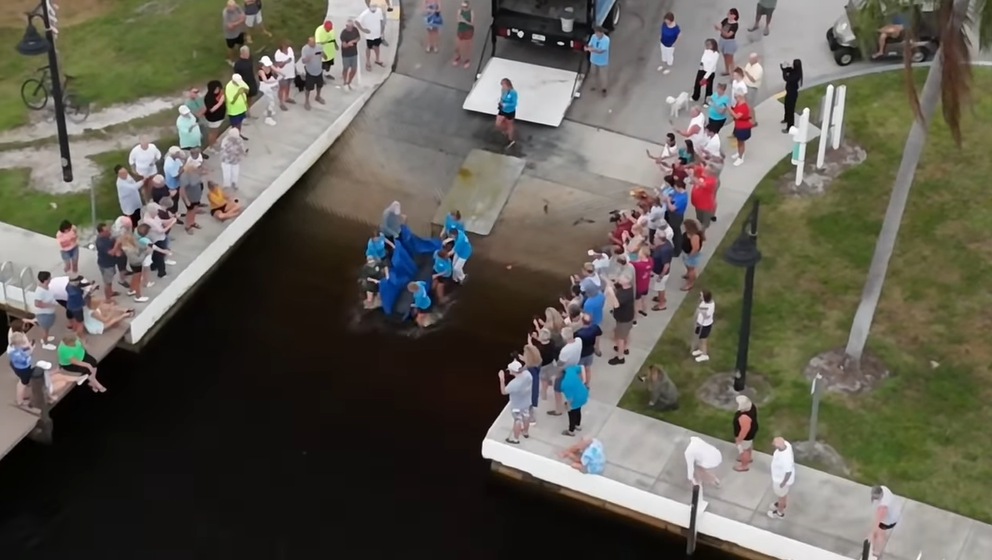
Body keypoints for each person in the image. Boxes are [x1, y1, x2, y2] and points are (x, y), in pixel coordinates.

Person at [498, 360, 533, 444]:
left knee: (517, 420)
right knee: (526, 416)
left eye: (510, 369)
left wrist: (501, 379)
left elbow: (503, 392)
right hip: (526, 401)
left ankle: (515, 439)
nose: (509, 370)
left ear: (513, 371)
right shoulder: (527, 374)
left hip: (516, 405)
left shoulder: (514, 384)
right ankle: (525, 432)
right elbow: (525, 367)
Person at [869, 485, 902, 558]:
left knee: (879, 533)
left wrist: (872, 533)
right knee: (877, 532)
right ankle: (875, 546)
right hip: (894, 510)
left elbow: (879, 521)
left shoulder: (883, 506)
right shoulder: (883, 488)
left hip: (890, 519)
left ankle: (877, 552)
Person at [609, 276, 635, 366]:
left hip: (623, 319)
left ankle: (620, 357)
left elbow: (616, 305)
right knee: (626, 333)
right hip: (626, 316)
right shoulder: (627, 288)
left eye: (624, 277)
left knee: (620, 338)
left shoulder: (625, 295)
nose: (620, 277)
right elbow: (616, 285)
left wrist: (611, 292)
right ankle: (625, 348)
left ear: (627, 281)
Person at [768, 436, 796, 519]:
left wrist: (783, 483)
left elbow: (788, 472)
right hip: (781, 479)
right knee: (783, 495)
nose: (772, 444)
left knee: (781, 496)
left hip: (781, 480)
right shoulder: (786, 445)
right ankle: (782, 504)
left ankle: (780, 512)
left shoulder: (785, 459)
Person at [32, 272, 60, 350]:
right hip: (44, 315)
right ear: (45, 280)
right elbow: (37, 304)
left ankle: (46, 337)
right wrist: (51, 305)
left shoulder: (46, 287)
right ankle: (45, 343)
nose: (50, 279)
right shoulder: (40, 291)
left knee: (47, 329)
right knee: (45, 330)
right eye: (49, 278)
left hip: (49, 313)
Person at [559, 363, 588, 436]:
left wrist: (567, 406)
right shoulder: (570, 369)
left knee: (572, 414)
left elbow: (570, 398)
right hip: (583, 394)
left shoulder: (565, 384)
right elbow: (582, 366)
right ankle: (578, 425)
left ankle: (571, 430)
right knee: (578, 410)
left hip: (576, 399)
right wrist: (584, 380)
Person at [94, 223, 121, 301]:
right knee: (107, 283)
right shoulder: (101, 243)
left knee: (109, 280)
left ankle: (111, 292)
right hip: (106, 265)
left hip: (110, 263)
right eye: (106, 231)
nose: (109, 232)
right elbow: (111, 253)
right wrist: (117, 244)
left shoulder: (107, 236)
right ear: (101, 232)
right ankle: (108, 299)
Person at [355, 3, 386, 71]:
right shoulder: (365, 14)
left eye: (375, 7)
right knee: (369, 48)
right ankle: (368, 61)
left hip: (377, 34)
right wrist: (363, 29)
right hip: (369, 36)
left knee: (377, 46)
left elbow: (381, 20)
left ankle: (377, 59)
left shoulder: (379, 11)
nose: (374, 9)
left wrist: (382, 29)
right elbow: (356, 22)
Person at [732, 395, 759, 471]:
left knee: (744, 450)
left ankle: (744, 465)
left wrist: (739, 440)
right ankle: (748, 458)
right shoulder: (751, 406)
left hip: (746, 435)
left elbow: (744, 430)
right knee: (748, 445)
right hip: (752, 430)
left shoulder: (744, 417)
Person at [573, 313, 602, 383]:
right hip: (590, 352)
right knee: (588, 369)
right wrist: (597, 347)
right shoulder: (595, 328)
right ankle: (587, 384)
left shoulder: (578, 333)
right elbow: (598, 336)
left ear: (582, 321)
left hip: (581, 354)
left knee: (580, 371)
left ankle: (581, 384)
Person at [300, 36, 326, 111]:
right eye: (311, 43)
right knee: (308, 88)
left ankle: (318, 96)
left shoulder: (319, 47)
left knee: (319, 85)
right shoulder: (305, 49)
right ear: (308, 43)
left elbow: (326, 57)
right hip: (310, 71)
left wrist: (323, 55)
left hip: (319, 70)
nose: (313, 44)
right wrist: (309, 57)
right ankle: (306, 101)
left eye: (314, 42)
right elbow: (303, 61)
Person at [180, 158, 206, 233]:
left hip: (196, 196)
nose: (198, 168)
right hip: (189, 197)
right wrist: (187, 200)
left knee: (194, 210)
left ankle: (192, 222)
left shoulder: (196, 173)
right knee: (190, 211)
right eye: (197, 167)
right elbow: (182, 190)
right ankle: (187, 226)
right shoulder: (184, 177)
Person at [650, 233, 674, 311]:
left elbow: (666, 265)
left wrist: (661, 276)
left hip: (660, 273)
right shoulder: (664, 243)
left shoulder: (664, 250)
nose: (653, 239)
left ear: (660, 239)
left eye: (655, 238)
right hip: (657, 271)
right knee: (659, 287)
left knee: (660, 288)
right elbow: (655, 248)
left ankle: (662, 304)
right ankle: (660, 298)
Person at [585, 26, 610, 96]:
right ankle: (593, 85)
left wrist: (591, 49)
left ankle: (604, 89)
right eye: (596, 33)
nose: (597, 34)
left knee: (603, 75)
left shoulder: (606, 40)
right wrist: (587, 47)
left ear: (602, 33)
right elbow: (590, 44)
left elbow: (601, 50)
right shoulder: (593, 37)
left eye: (598, 33)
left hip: (602, 61)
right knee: (593, 73)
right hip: (593, 60)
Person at [690, 165, 717, 229]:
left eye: (706, 171)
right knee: (699, 218)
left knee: (705, 223)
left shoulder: (712, 180)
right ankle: (701, 225)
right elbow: (695, 167)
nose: (703, 171)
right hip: (697, 204)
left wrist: (691, 176)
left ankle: (701, 233)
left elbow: (701, 184)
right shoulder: (703, 172)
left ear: (711, 172)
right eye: (705, 169)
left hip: (705, 206)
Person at [692, 289, 715, 362]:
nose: (700, 296)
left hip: (705, 325)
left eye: (701, 295)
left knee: (703, 340)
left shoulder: (710, 306)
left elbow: (707, 316)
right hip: (700, 323)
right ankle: (700, 350)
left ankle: (704, 355)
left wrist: (701, 311)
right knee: (699, 336)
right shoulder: (704, 302)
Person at [681, 219, 704, 291]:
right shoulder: (688, 233)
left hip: (691, 255)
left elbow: (695, 248)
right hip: (686, 253)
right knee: (687, 266)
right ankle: (688, 274)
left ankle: (690, 283)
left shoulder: (695, 236)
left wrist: (689, 256)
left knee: (691, 269)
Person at [730, 91, 753, 166]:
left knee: (741, 142)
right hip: (738, 126)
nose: (735, 99)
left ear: (740, 97)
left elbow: (737, 116)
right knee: (739, 142)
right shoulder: (738, 104)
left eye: (736, 97)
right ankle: (739, 153)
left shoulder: (744, 107)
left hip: (743, 127)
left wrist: (728, 108)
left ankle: (740, 158)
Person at [715, 8, 739, 76]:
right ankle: (727, 70)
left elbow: (728, 35)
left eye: (729, 14)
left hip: (729, 42)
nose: (728, 15)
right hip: (723, 40)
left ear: (734, 16)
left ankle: (733, 73)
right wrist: (717, 27)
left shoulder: (735, 25)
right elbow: (720, 25)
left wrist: (720, 29)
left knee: (730, 59)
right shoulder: (726, 20)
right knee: (725, 57)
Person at [225, 73, 250, 138]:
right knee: (234, 126)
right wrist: (238, 93)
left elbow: (247, 90)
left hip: (242, 108)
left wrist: (244, 90)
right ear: (233, 81)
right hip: (234, 111)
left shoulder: (241, 82)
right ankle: (234, 137)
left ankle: (238, 134)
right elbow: (232, 102)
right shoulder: (229, 87)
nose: (239, 84)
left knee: (240, 123)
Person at [781, 59, 803, 132]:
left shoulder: (796, 75)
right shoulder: (794, 70)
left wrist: (784, 72)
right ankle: (786, 118)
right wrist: (784, 67)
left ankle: (790, 126)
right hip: (789, 92)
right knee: (786, 105)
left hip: (792, 94)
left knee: (791, 109)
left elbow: (786, 78)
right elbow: (788, 70)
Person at [203, 80, 227, 146]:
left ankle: (214, 140)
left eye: (218, 88)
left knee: (216, 130)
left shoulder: (219, 94)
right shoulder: (208, 98)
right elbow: (211, 110)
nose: (218, 90)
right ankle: (211, 145)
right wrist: (220, 102)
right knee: (212, 132)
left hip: (220, 117)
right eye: (216, 88)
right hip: (213, 119)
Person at [257, 56, 279, 126]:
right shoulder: (261, 71)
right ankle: (268, 118)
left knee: (270, 99)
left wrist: (283, 74)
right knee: (271, 102)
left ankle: (267, 111)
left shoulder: (269, 65)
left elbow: (276, 70)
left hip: (270, 84)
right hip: (265, 86)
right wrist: (275, 81)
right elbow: (265, 80)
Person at [339, 19, 361, 90]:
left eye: (352, 26)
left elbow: (358, 38)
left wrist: (353, 41)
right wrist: (348, 44)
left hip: (354, 53)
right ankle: (345, 82)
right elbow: (344, 45)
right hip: (346, 55)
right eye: (350, 26)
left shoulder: (355, 30)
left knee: (354, 69)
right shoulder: (343, 34)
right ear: (346, 26)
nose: (351, 28)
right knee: (345, 69)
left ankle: (349, 82)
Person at [496, 78, 517, 149]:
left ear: (508, 85)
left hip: (510, 111)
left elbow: (514, 103)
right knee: (498, 123)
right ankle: (505, 131)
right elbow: (502, 97)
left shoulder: (513, 93)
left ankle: (510, 139)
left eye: (503, 85)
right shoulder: (503, 90)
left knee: (509, 124)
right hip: (502, 110)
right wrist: (501, 102)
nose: (502, 87)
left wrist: (506, 105)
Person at [742, 53, 763, 122]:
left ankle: (753, 121)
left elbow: (753, 80)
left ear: (755, 59)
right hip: (745, 85)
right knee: (745, 103)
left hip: (752, 88)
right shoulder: (748, 64)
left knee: (750, 105)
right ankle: (748, 116)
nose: (749, 60)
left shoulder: (759, 69)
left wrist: (746, 73)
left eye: (751, 59)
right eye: (749, 58)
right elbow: (744, 74)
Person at [453, 1, 474, 68]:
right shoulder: (460, 11)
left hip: (468, 31)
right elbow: (458, 21)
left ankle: (466, 60)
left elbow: (472, 24)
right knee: (457, 46)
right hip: (460, 30)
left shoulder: (471, 12)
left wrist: (464, 21)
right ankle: (458, 56)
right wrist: (460, 20)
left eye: (465, 7)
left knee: (466, 47)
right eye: (463, 7)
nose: (464, 8)